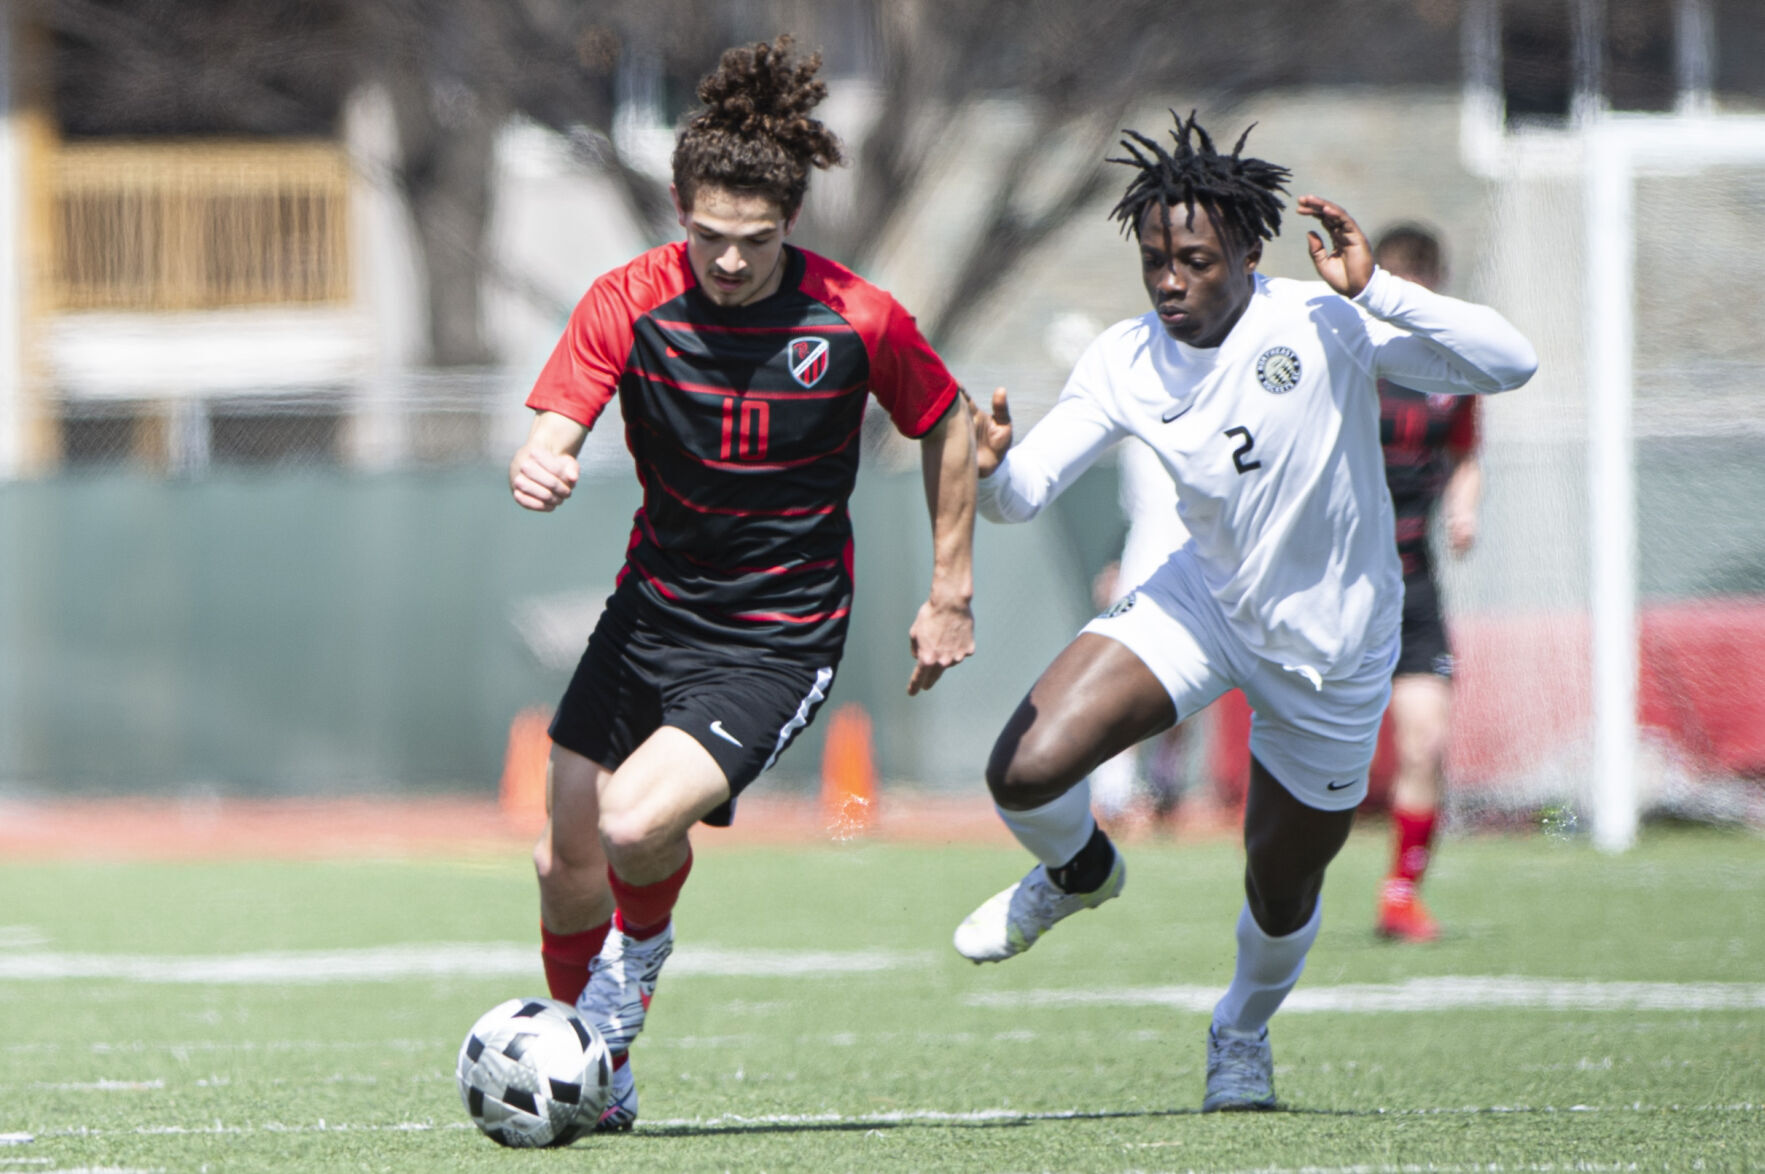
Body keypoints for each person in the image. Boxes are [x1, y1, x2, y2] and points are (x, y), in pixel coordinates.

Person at [951, 112, 1535, 1111]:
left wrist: (1380, 289)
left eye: (1194, 259)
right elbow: (1022, 495)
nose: (1171, 281)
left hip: (1333, 655)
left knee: (1279, 888)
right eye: (1154, 261)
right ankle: (1081, 870)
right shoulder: (1123, 358)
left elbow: (1510, 362)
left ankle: (1240, 1029)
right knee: (1023, 767)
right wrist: (992, 469)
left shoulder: (1326, 321)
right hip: (1204, 603)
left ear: (1247, 253)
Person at [509, 37, 976, 1131]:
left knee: (629, 826)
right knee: (561, 855)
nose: (727, 262)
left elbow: (947, 419)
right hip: (649, 612)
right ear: (679, 206)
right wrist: (545, 453)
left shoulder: (856, 318)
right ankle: (593, 1069)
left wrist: (949, 586)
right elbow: (557, 416)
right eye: (709, 238)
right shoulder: (626, 300)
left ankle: (631, 984)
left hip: (775, 635)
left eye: (752, 243)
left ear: (791, 222)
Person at [1369, 224, 1482, 943]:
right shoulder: (1349, 360)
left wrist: (1465, 506)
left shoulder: (1452, 372)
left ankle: (1400, 895)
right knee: (1315, 757)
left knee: (1425, 741)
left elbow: (1468, 453)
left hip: (1414, 585)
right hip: (1332, 590)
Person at [1088, 438, 1193, 831]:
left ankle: (1165, 786)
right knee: (1131, 677)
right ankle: (1116, 791)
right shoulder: (1138, 410)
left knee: (1187, 679)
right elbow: (1141, 510)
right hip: (1146, 559)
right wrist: (1116, 559)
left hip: (1201, 557)